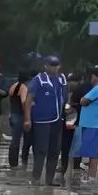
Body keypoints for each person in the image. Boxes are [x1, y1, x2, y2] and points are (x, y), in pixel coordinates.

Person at [23, 56, 67, 186]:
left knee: (55, 151)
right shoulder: (38, 80)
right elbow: (29, 99)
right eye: (51, 65)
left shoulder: (61, 79)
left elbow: (64, 96)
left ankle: (49, 179)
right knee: (41, 150)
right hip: (42, 120)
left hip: (58, 119)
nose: (54, 67)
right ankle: (36, 178)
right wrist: (27, 119)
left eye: (56, 65)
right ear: (46, 66)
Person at [71, 67, 98, 181]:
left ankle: (91, 177)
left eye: (92, 76)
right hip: (90, 123)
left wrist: (83, 99)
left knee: (92, 153)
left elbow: (83, 101)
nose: (91, 78)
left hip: (92, 124)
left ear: (96, 77)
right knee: (86, 151)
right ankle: (88, 176)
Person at [7, 72, 33, 168]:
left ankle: (12, 162)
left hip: (12, 115)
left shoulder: (14, 86)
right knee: (22, 140)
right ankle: (18, 162)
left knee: (14, 140)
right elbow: (23, 103)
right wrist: (27, 117)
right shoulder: (23, 88)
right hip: (19, 116)